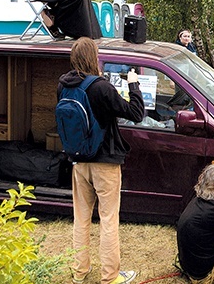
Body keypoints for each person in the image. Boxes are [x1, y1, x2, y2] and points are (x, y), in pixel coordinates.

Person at [58, 37, 145, 284]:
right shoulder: (101, 87)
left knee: (81, 218)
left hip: (78, 161)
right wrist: (134, 85)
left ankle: (80, 272)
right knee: (108, 220)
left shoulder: (62, 85)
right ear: (93, 57)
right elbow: (136, 113)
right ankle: (111, 276)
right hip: (105, 162)